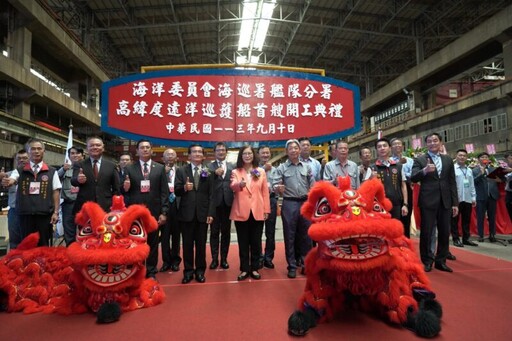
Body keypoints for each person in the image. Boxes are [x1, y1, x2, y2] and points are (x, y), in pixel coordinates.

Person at [411, 133, 458, 273]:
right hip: (428, 201)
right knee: (427, 232)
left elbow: (452, 182)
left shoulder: (448, 160)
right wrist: (424, 171)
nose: (432, 143)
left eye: (435, 140)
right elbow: (413, 177)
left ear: (440, 142)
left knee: (444, 232)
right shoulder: (420, 159)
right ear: (426, 144)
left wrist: (455, 203)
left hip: (445, 201)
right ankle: (427, 260)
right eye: (429, 141)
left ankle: (441, 261)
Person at [123, 139, 169, 279]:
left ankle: (151, 271)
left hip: (154, 212)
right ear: (137, 151)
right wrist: (124, 188)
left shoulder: (160, 168)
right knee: (135, 242)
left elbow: (164, 192)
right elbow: (122, 190)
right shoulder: (129, 168)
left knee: (153, 243)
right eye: (142, 147)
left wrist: (164, 212)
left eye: (147, 147)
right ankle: (136, 270)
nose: (144, 149)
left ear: (151, 150)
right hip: (135, 212)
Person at [2, 139, 61, 246]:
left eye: (39, 149)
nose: (36, 151)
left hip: (44, 215)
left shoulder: (52, 171)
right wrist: (8, 181)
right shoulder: (20, 170)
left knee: (43, 244)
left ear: (44, 151)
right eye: (33, 149)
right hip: (25, 215)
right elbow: (13, 179)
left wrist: (56, 212)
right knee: (26, 244)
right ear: (28, 152)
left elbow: (55, 192)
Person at [272, 139, 315, 278]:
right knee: (289, 236)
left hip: (305, 203)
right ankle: (291, 265)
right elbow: (275, 185)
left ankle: (305, 264)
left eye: (296, 148)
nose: (294, 150)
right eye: (290, 148)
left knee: (306, 236)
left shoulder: (307, 167)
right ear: (286, 151)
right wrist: (278, 188)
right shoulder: (282, 168)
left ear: (300, 150)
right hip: (289, 203)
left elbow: (312, 185)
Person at [174, 144, 215, 284]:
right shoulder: (181, 171)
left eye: (199, 152)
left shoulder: (208, 171)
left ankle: (200, 271)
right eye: (194, 152)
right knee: (187, 244)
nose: (197, 154)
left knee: (201, 245)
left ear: (203, 156)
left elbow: (211, 194)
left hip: (202, 214)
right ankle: (188, 272)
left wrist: (210, 212)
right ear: (189, 156)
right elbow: (176, 190)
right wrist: (184, 188)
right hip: (186, 213)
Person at [230, 145, 270, 281]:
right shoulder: (236, 171)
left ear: (254, 155)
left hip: (257, 210)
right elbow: (233, 186)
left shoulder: (260, 171)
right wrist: (239, 185)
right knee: (243, 242)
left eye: (250, 153)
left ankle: (254, 268)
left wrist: (266, 210)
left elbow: (265, 192)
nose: (247, 156)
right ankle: (244, 269)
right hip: (241, 211)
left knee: (256, 242)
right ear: (241, 156)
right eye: (245, 154)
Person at [71, 136, 120, 215]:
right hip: (85, 207)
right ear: (87, 149)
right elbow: (73, 181)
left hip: (106, 207)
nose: (95, 147)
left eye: (97, 145)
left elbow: (116, 188)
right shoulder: (79, 164)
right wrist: (78, 179)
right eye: (91, 145)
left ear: (103, 148)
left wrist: (115, 206)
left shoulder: (111, 165)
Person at [208, 142, 234, 270]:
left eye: (223, 150)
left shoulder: (232, 166)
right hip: (214, 204)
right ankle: (214, 259)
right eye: (218, 150)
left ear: (226, 152)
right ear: (215, 152)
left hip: (228, 203)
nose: (221, 152)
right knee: (214, 232)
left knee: (226, 232)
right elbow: (204, 183)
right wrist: (213, 174)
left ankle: (224, 259)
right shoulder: (208, 167)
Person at [371, 138, 408, 220]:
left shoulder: (398, 166)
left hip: (396, 204)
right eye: (379, 147)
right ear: (376, 150)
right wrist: (371, 179)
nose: (382, 148)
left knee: (396, 229)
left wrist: (405, 204)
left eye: (385, 146)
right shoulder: (372, 168)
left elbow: (403, 185)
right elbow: (366, 188)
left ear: (390, 148)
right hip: (379, 205)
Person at [0, 149, 29, 249]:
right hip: (14, 211)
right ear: (16, 160)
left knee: (28, 240)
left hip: (29, 211)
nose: (22, 160)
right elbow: (3, 184)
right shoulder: (8, 175)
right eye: (19, 158)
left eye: (25, 158)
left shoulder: (34, 174)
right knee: (14, 240)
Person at [160, 148, 182, 272]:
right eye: (167, 155)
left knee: (176, 235)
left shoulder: (180, 171)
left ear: (176, 158)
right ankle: (166, 261)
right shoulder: (158, 171)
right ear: (163, 158)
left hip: (177, 205)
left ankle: (175, 261)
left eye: (172, 155)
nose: (170, 157)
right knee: (164, 236)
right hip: (164, 205)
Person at [451, 149, 478, 247]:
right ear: (456, 156)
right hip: (456, 199)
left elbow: (472, 185)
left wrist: (473, 197)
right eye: (460, 155)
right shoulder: (452, 169)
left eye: (464, 156)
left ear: (466, 158)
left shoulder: (469, 170)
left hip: (467, 198)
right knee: (454, 220)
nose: (462, 157)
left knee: (466, 220)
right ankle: (456, 238)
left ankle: (466, 238)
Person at [57, 147, 84, 246]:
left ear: (82, 155)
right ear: (69, 156)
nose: (75, 155)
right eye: (72, 153)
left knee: (85, 230)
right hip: (69, 204)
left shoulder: (87, 167)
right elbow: (54, 179)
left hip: (83, 204)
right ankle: (70, 252)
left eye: (78, 153)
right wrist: (63, 169)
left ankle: (84, 253)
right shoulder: (65, 168)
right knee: (69, 231)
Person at [258, 145, 278, 269]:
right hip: (258, 202)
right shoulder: (254, 168)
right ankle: (259, 257)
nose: (265, 155)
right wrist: (263, 169)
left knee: (270, 232)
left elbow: (277, 183)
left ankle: (269, 258)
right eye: (263, 153)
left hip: (271, 200)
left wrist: (277, 188)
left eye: (267, 153)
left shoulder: (275, 169)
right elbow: (252, 180)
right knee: (257, 231)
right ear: (258, 155)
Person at [473, 152, 500, 243]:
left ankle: (492, 235)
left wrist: (501, 178)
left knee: (492, 216)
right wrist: (481, 173)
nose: (485, 158)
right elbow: (474, 181)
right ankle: (480, 235)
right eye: (482, 157)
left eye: (486, 157)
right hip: (481, 197)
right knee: (480, 216)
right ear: (478, 159)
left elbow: (501, 180)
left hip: (492, 196)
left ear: (488, 159)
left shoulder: (493, 169)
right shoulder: (475, 170)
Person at [390, 137, 414, 238]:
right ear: (391, 147)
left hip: (407, 187)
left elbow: (413, 174)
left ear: (403, 146)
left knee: (406, 214)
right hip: (394, 187)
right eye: (394, 144)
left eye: (399, 144)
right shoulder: (389, 161)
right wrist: (399, 164)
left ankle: (406, 237)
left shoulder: (410, 160)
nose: (397, 146)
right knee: (395, 214)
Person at [503, 153, 512, 228]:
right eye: (508, 159)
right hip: (509, 194)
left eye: (510, 158)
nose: (509, 160)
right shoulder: (506, 169)